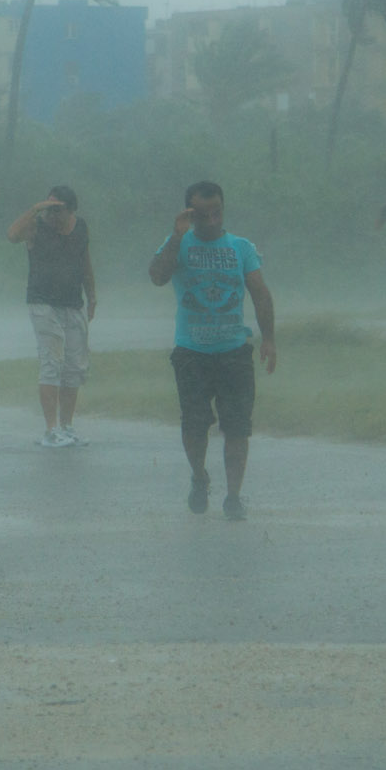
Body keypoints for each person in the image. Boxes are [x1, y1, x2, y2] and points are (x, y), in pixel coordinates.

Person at [148, 180, 277, 521]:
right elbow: (158, 277)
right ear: (190, 214)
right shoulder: (177, 244)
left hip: (234, 351)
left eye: (216, 212)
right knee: (194, 425)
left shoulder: (241, 247)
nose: (211, 220)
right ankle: (200, 476)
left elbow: (260, 293)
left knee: (237, 427)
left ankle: (234, 496)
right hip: (191, 352)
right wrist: (176, 236)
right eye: (202, 215)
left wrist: (269, 338)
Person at [6, 185, 95, 448]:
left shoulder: (81, 228)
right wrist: (35, 210)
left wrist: (93, 295)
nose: (53, 216)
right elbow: (12, 235)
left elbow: (85, 261)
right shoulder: (37, 227)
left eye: (58, 210)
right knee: (52, 362)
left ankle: (67, 426)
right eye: (50, 209)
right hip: (43, 303)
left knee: (74, 366)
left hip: (72, 303)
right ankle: (50, 429)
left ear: (71, 210)